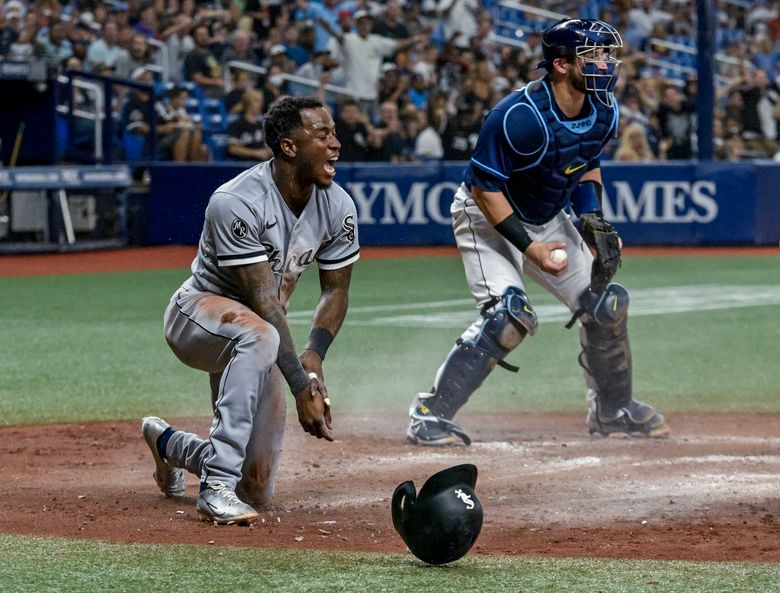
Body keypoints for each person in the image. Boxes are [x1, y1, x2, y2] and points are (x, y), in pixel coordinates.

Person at [405, 19, 670, 447]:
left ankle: (612, 410)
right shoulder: (519, 116)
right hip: (485, 216)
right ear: (562, 65)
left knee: (606, 304)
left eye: (606, 53)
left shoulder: (603, 106)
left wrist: (592, 221)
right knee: (509, 316)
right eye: (595, 55)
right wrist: (532, 250)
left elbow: (586, 163)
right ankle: (429, 413)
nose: (606, 63)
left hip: (548, 215)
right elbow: (484, 188)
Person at [141, 96, 359, 524]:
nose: (335, 144)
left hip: (261, 336)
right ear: (288, 147)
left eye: (334, 133)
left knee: (256, 488)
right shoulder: (237, 200)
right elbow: (262, 300)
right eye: (323, 134)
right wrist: (300, 386)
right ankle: (215, 487)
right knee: (261, 333)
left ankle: (168, 444)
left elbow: (335, 291)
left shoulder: (338, 205)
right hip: (198, 316)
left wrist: (313, 358)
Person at [226, 89, 272, 161]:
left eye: (261, 101)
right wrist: (256, 153)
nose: (261, 104)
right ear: (247, 103)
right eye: (257, 101)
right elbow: (233, 149)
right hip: (244, 166)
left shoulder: (263, 124)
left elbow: (268, 146)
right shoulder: (237, 124)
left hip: (262, 165)